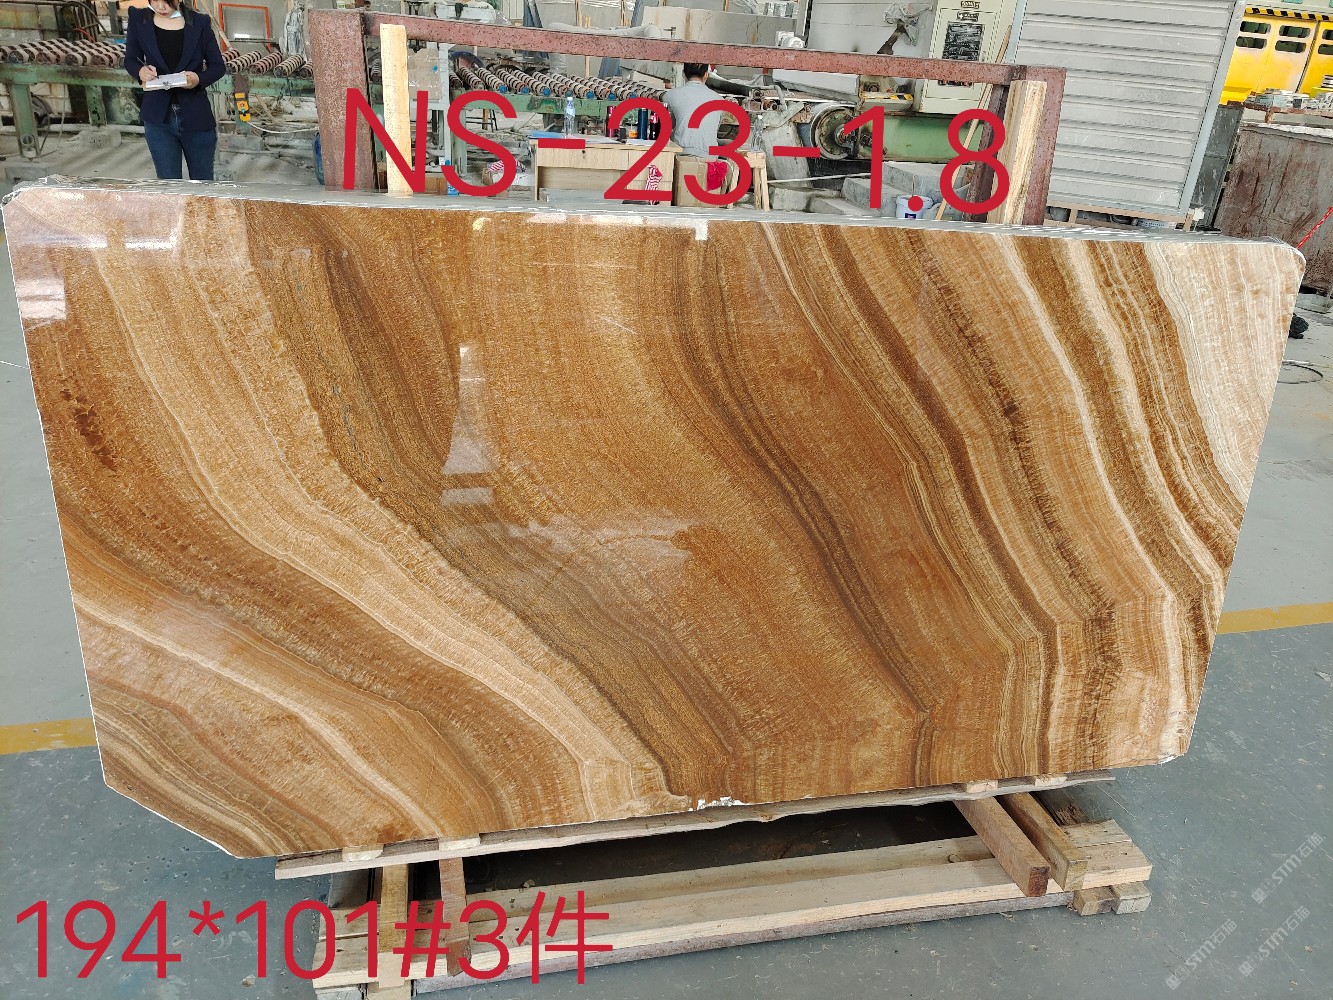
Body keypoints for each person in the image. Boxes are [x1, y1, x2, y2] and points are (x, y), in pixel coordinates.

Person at [124, 0, 226, 180]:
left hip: (195, 116)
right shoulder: (139, 20)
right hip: (158, 119)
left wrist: (198, 79)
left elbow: (218, 66)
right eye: (155, 0)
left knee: (202, 184)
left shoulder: (199, 23)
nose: (160, 7)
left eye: (167, 1)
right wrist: (140, 71)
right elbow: (131, 59)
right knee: (169, 186)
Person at [663, 63, 723, 157]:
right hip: (709, 156)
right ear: (706, 75)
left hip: (680, 154)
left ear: (683, 74)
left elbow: (667, 126)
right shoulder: (719, 100)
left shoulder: (670, 95)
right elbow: (714, 128)